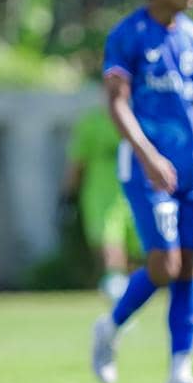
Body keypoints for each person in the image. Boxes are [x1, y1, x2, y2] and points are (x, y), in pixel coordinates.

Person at [90, 0, 193, 383]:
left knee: (190, 263)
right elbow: (116, 103)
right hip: (146, 169)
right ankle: (109, 328)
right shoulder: (127, 35)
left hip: (190, 173)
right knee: (164, 264)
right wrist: (148, 155)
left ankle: (181, 370)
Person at [61, 105, 141, 302]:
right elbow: (77, 163)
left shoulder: (140, 120)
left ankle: (129, 301)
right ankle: (118, 306)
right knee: (112, 251)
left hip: (134, 197)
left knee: (137, 257)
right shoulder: (92, 124)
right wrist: (67, 196)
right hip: (101, 198)